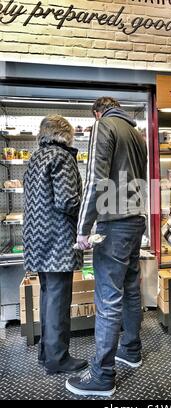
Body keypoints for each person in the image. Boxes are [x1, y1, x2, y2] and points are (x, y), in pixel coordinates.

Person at [66, 97, 148, 397]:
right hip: (135, 220)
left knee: (108, 297)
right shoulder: (138, 135)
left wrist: (83, 228)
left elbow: (95, 180)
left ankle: (102, 376)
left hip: (113, 223)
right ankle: (131, 350)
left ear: (97, 112)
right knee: (130, 288)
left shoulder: (104, 125)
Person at [23, 115, 88, 375]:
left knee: (49, 296)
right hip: (57, 240)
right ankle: (58, 359)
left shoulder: (36, 157)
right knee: (59, 301)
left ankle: (46, 353)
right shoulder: (62, 158)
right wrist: (87, 211)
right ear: (66, 135)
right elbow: (68, 201)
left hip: (37, 238)